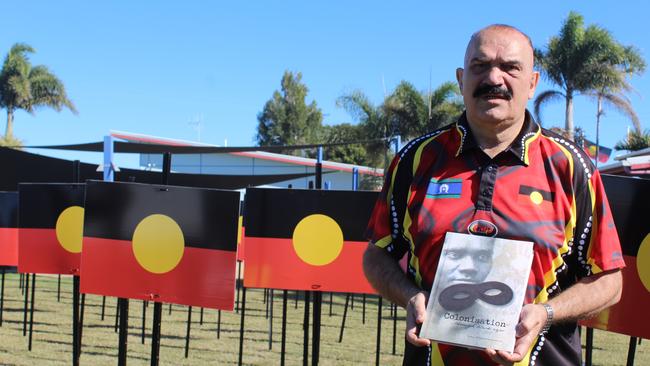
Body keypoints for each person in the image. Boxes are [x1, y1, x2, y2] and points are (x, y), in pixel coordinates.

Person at [363, 24, 624, 366]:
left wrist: (545, 313)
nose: (494, 79)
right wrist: (410, 296)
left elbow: (610, 280)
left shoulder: (570, 167)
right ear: (461, 79)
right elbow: (376, 254)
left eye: (510, 67)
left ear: (532, 82)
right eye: (480, 66)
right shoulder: (415, 161)